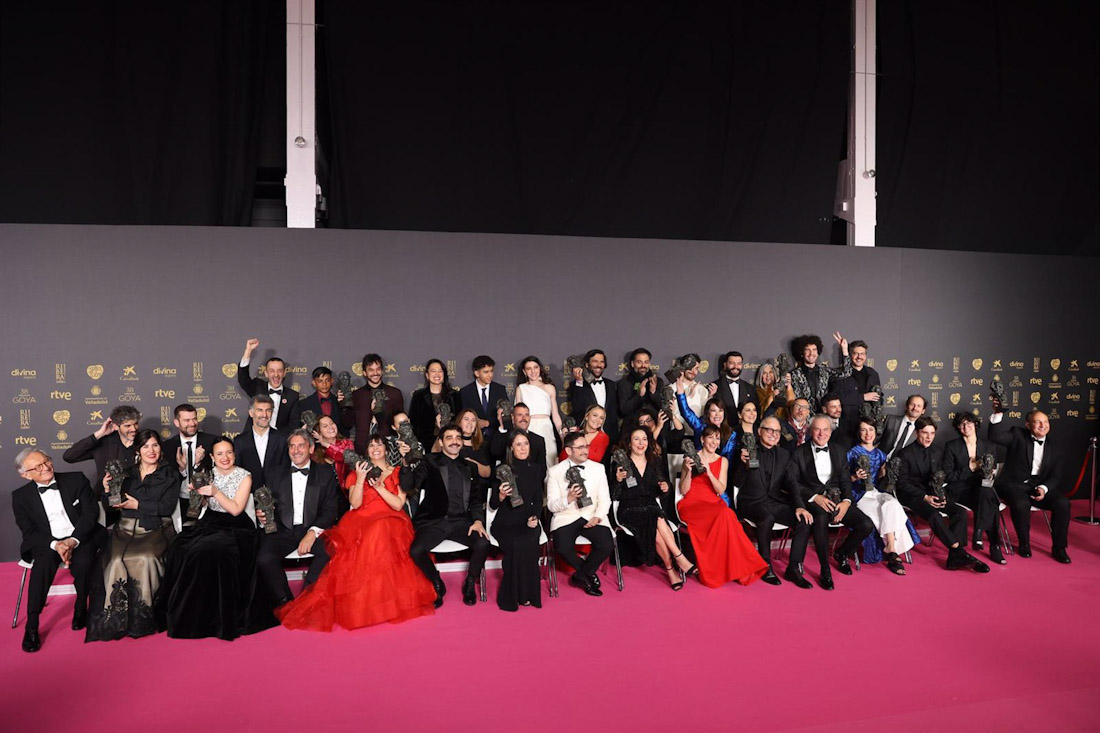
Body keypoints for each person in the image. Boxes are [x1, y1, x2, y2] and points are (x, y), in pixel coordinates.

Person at [276, 436, 436, 630]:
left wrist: (379, 488)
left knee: (379, 531)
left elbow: (398, 504)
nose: (375, 448)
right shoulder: (356, 472)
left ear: (387, 449)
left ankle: (383, 599)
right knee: (354, 542)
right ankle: (364, 600)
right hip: (360, 519)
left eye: (379, 445)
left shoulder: (398, 472)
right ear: (366, 451)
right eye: (371, 445)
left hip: (391, 519)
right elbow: (355, 503)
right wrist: (361, 479)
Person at [156, 436, 277, 639]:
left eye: (229, 452)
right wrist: (199, 496)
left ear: (234, 454)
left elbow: (236, 509)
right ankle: (188, 612)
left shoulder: (245, 476)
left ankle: (216, 618)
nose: (225, 457)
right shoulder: (207, 474)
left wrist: (215, 492)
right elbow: (204, 506)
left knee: (211, 551)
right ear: (212, 457)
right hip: (210, 523)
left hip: (237, 528)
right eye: (220, 454)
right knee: (180, 549)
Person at [86, 429, 178, 642]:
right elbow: (112, 507)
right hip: (125, 529)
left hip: (156, 528)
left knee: (146, 558)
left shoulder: (170, 474)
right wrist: (107, 491)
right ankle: (116, 620)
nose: (151, 450)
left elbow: (166, 507)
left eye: (155, 445)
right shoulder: (124, 473)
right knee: (116, 560)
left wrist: (138, 504)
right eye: (145, 446)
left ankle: (142, 619)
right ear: (138, 450)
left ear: (160, 448)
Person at [12, 449, 107, 653]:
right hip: (47, 543)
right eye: (38, 467)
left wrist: (72, 541)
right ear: (26, 474)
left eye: (46, 461)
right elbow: (29, 532)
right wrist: (57, 545)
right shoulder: (20, 497)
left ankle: (81, 608)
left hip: (80, 536)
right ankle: (32, 624)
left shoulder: (75, 479)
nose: (46, 468)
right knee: (42, 567)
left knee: (84, 563)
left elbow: (91, 513)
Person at [404, 424, 490, 607]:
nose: (455, 441)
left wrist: (477, 521)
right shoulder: (429, 461)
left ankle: (470, 582)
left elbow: (476, 500)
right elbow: (408, 486)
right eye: (449, 438)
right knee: (416, 551)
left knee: (483, 543)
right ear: (441, 443)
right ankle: (436, 580)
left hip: (460, 522)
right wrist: (405, 463)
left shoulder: (470, 467)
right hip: (433, 522)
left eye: (458, 438)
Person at [789, 416, 876, 590]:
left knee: (866, 524)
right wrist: (815, 497)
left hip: (837, 500)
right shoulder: (798, 452)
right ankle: (825, 569)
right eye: (817, 429)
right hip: (814, 500)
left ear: (831, 431)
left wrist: (846, 501)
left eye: (826, 430)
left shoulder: (839, 450)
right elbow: (794, 482)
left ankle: (842, 553)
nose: (821, 434)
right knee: (820, 519)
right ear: (809, 430)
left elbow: (845, 481)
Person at [256, 430, 341, 606]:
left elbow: (331, 510)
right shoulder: (274, 473)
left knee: (329, 552)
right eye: (292, 446)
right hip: (282, 531)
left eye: (301, 445)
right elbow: (265, 503)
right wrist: (262, 515)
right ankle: (285, 601)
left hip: (313, 529)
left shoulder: (325, 473)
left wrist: (312, 532)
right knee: (264, 559)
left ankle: (307, 598)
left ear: (310, 449)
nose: (296, 450)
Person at [677, 425, 769, 588]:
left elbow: (720, 490)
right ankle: (718, 571)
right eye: (710, 437)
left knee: (726, 514)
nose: (714, 441)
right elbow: (683, 490)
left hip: (713, 502)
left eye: (717, 438)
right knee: (726, 515)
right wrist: (688, 470)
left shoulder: (723, 461)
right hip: (692, 504)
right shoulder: (690, 458)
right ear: (702, 439)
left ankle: (739, 568)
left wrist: (709, 472)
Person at [896, 417, 990, 573]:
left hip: (934, 492)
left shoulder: (937, 451)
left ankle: (954, 557)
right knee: (934, 515)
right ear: (916, 433)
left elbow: (942, 476)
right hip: (912, 495)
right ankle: (958, 551)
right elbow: (902, 484)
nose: (928, 437)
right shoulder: (904, 454)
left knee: (959, 513)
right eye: (925, 433)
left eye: (932, 433)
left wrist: (941, 493)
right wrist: (925, 497)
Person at [731, 418, 814, 588]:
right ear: (759, 431)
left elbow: (792, 483)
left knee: (803, 521)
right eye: (769, 430)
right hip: (751, 502)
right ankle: (765, 565)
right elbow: (736, 482)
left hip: (774, 501)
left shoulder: (784, 455)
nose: (773, 434)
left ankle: (793, 568)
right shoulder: (747, 450)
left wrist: (799, 506)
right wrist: (743, 465)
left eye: (776, 431)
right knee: (766, 517)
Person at [988, 403, 1071, 563]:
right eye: (1038, 422)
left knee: (1063, 503)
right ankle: (1024, 543)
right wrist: (998, 414)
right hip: (1013, 484)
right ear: (1027, 425)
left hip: (1038, 486)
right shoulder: (1017, 434)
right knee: (1020, 504)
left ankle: (1059, 548)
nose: (1043, 425)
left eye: (1046, 422)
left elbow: (1055, 476)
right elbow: (995, 437)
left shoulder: (1055, 447)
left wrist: (1043, 488)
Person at [611, 427, 693, 588]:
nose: (641, 443)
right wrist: (618, 480)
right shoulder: (621, 462)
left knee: (655, 522)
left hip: (650, 506)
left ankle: (670, 569)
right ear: (629, 443)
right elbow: (614, 495)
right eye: (636, 439)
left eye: (644, 439)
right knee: (656, 517)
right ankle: (679, 557)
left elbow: (664, 488)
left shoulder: (654, 461)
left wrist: (665, 487)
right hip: (628, 508)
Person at [547, 432, 614, 596]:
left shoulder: (599, 468)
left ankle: (580, 576)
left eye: (586, 446)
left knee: (606, 545)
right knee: (562, 547)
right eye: (581, 447)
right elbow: (551, 505)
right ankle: (588, 573)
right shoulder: (555, 471)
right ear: (569, 451)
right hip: (566, 517)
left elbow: (605, 499)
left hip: (592, 514)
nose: (586, 450)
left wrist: (598, 516)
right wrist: (568, 499)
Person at [846, 417, 915, 575]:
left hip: (876, 492)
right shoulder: (851, 453)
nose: (867, 433)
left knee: (892, 504)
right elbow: (842, 480)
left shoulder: (881, 454)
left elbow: (883, 478)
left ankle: (890, 547)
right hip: (859, 494)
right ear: (858, 433)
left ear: (875, 432)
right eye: (863, 430)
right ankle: (893, 552)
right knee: (879, 514)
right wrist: (855, 477)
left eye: (870, 429)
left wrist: (888, 475)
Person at [488, 432, 546, 611]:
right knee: (517, 543)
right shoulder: (503, 470)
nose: (523, 448)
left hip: (528, 520)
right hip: (505, 522)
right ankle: (513, 596)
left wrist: (535, 517)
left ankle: (527, 594)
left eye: (526, 444)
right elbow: (492, 504)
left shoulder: (536, 469)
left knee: (529, 541)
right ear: (511, 448)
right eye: (518, 444)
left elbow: (538, 500)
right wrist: (500, 495)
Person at [943, 411, 1005, 564]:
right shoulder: (952, 446)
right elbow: (948, 476)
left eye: (969, 423)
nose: (966, 426)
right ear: (958, 427)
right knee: (989, 499)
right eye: (962, 424)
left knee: (986, 492)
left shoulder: (989, 446)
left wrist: (990, 474)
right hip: (960, 491)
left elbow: (993, 472)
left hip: (982, 489)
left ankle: (979, 534)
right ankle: (993, 545)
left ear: (975, 425)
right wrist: (970, 468)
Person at [63, 405, 141, 524]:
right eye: (127, 425)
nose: (133, 429)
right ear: (115, 426)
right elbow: (69, 456)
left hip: (138, 500)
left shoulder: (145, 442)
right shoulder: (104, 443)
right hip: (107, 501)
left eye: (135, 424)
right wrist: (99, 434)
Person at [163, 403, 218, 518]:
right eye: (187, 420)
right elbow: (167, 479)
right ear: (177, 423)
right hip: (179, 501)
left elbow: (219, 472)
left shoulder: (211, 442)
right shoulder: (168, 446)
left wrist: (198, 465)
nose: (192, 424)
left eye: (194, 419)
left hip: (206, 501)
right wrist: (182, 469)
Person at [237, 338, 300, 431]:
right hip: (254, 438)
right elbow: (243, 379)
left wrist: (277, 438)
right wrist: (248, 351)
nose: (276, 375)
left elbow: (293, 424)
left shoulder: (292, 396)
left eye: (280, 371)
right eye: (271, 371)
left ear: (284, 373)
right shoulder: (257, 387)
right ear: (266, 373)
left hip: (279, 441)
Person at [233, 394, 289, 490]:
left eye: (268, 410)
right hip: (248, 495)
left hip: (278, 495)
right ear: (251, 413)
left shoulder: (282, 439)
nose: (264, 415)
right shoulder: (240, 441)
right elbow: (238, 472)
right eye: (260, 410)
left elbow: (286, 469)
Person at [351, 353, 405, 451]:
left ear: (382, 371)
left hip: (388, 448)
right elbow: (347, 423)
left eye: (378, 369)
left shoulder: (394, 394)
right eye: (371, 370)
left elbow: (400, 425)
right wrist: (344, 406)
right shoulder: (356, 395)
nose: (375, 373)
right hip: (362, 448)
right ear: (364, 373)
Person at [515, 355, 562, 468]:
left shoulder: (549, 388)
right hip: (528, 428)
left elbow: (555, 415)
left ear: (540, 368)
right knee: (530, 461)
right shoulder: (521, 388)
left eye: (535, 367)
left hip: (546, 428)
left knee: (550, 462)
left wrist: (561, 435)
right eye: (529, 368)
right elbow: (517, 414)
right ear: (524, 372)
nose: (533, 371)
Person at [829, 340, 881, 438]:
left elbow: (878, 398)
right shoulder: (840, 374)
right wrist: (862, 397)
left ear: (865, 356)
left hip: (867, 427)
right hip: (846, 425)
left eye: (862, 354)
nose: (859, 357)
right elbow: (836, 398)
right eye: (856, 353)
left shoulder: (873, 373)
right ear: (850, 355)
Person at [789, 332, 852, 412]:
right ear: (802, 353)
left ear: (818, 352)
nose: (811, 353)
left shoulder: (824, 371)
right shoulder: (794, 374)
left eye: (814, 350)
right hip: (803, 417)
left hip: (822, 416)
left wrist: (844, 349)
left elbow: (846, 372)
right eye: (807, 350)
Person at [568, 349, 620, 444]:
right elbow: (577, 407)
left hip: (610, 436)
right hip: (586, 437)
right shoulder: (576, 385)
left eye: (602, 362)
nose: (599, 365)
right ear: (587, 364)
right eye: (595, 361)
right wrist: (580, 382)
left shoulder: (611, 384)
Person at [409, 358, 462, 450]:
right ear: (427, 375)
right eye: (433, 371)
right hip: (425, 443)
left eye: (440, 371)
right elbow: (414, 421)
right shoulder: (419, 395)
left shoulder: (454, 395)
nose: (437, 374)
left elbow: (459, 419)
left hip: (450, 442)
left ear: (444, 374)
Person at [460, 355, 509, 439]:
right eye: (486, 372)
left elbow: (506, 417)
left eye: (491, 371)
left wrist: (488, 423)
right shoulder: (465, 392)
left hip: (496, 439)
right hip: (474, 439)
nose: (490, 375)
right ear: (477, 373)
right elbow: (461, 417)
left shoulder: (500, 390)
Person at [617, 348, 666, 423]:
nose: (643, 365)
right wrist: (639, 396)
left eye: (646, 362)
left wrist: (653, 393)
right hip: (633, 426)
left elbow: (664, 407)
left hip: (655, 426)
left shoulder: (658, 381)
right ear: (632, 364)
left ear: (649, 364)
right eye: (639, 362)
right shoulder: (624, 383)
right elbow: (624, 410)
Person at [311, 414, 356, 490]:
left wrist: (327, 445)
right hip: (326, 493)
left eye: (331, 423)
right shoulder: (315, 452)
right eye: (325, 426)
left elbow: (346, 457)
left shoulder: (347, 443)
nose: (330, 427)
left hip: (347, 491)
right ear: (319, 432)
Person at [880, 394, 927, 460]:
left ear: (923, 411)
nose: (915, 408)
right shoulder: (890, 419)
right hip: (881, 460)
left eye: (919, 406)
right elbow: (875, 440)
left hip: (903, 466)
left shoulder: (922, 430)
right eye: (912, 404)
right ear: (906, 406)